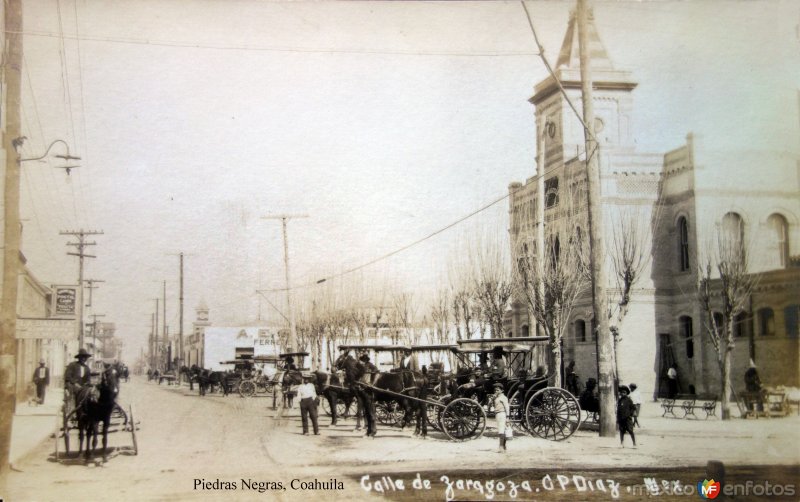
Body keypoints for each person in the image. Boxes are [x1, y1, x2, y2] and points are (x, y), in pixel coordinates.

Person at [358, 354, 378, 437]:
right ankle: (369, 430)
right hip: (363, 389)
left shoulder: (370, 365)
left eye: (362, 360)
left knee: (370, 411)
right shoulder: (361, 367)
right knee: (367, 411)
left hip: (368, 390)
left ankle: (372, 431)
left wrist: (372, 383)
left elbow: (377, 372)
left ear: (365, 360)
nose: (361, 362)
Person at [492, 383, 510, 453]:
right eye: (495, 390)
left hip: (502, 414)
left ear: (502, 390)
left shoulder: (504, 398)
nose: (496, 391)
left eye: (497, 390)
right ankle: (504, 447)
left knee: (501, 431)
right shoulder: (496, 398)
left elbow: (507, 408)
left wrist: (508, 417)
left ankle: (501, 447)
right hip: (498, 414)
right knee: (502, 430)